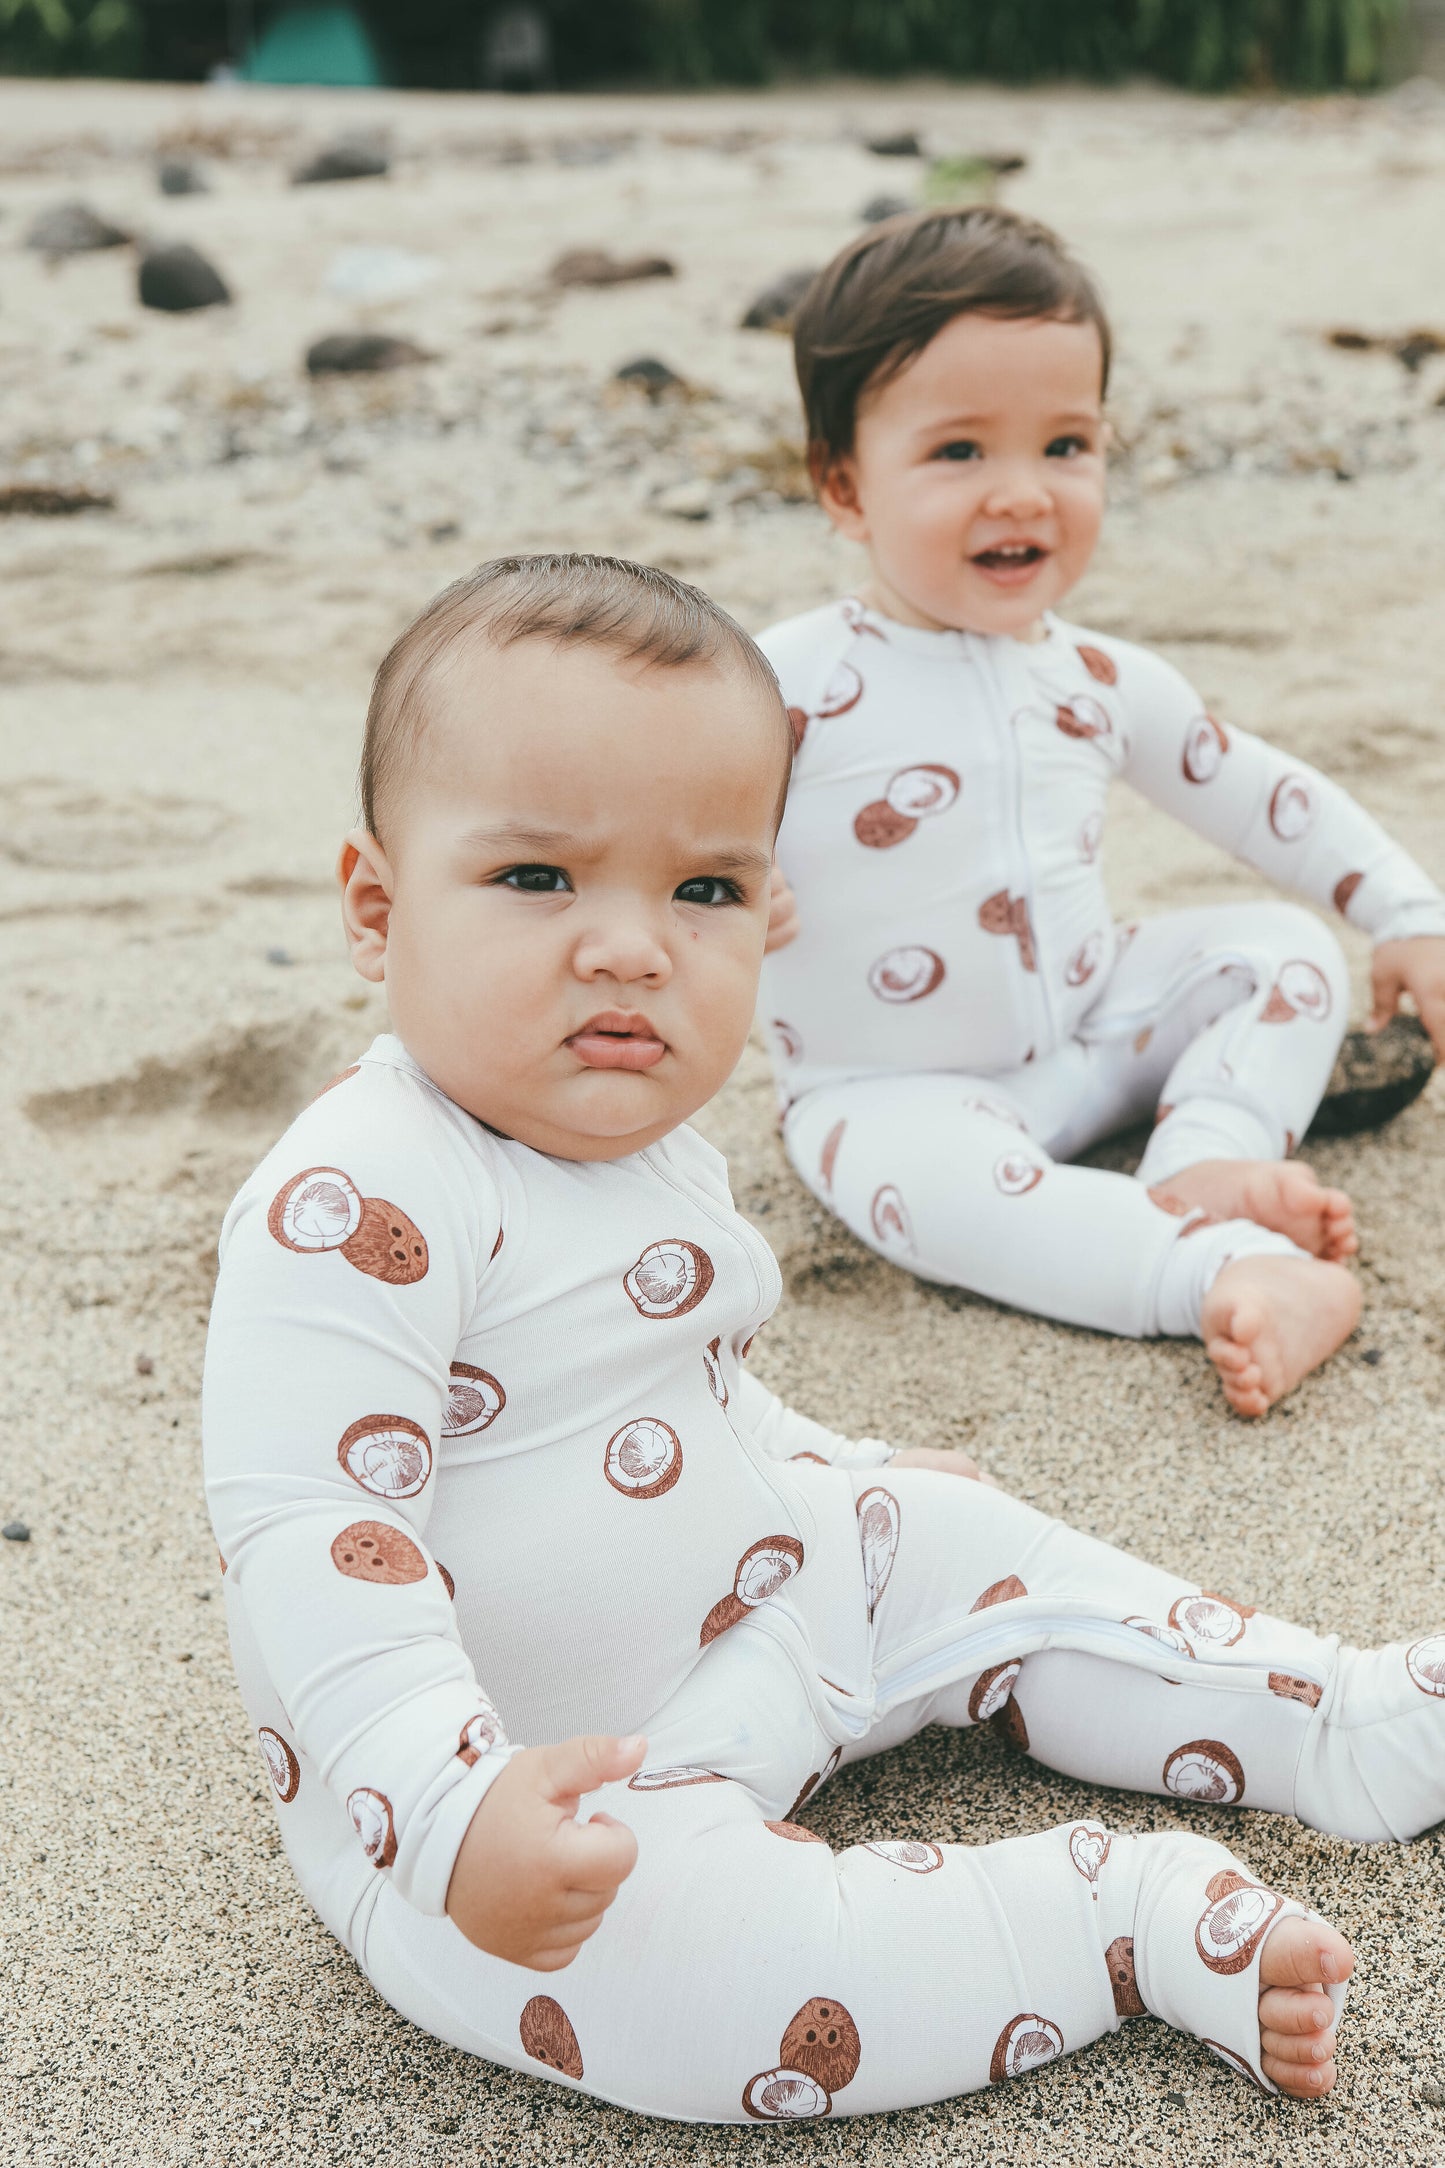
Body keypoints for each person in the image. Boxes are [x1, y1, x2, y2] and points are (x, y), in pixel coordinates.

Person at [205, 551, 1445, 2128]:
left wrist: (834, 1469)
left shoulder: (643, 1140)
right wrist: (448, 1811)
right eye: (538, 881)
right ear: (378, 911)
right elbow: (317, 1533)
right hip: (551, 1801)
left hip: (764, 1592)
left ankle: (1340, 1722)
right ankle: (1114, 1922)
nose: (631, 947)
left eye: (704, 889)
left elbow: (674, 1392)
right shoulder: (352, 1195)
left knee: (971, 1544)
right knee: (711, 1994)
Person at [757, 207, 1445, 1417]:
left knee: (1278, 951)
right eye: (959, 452)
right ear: (842, 482)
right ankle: (1219, 1270)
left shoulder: (1096, 677)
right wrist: (713, 888)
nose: (1020, 493)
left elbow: (1259, 795)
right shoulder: (777, 689)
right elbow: (645, 837)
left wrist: (1402, 908)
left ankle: (1201, 1160)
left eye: (1065, 445)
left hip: (1097, 1023)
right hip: (892, 1087)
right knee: (933, 1195)